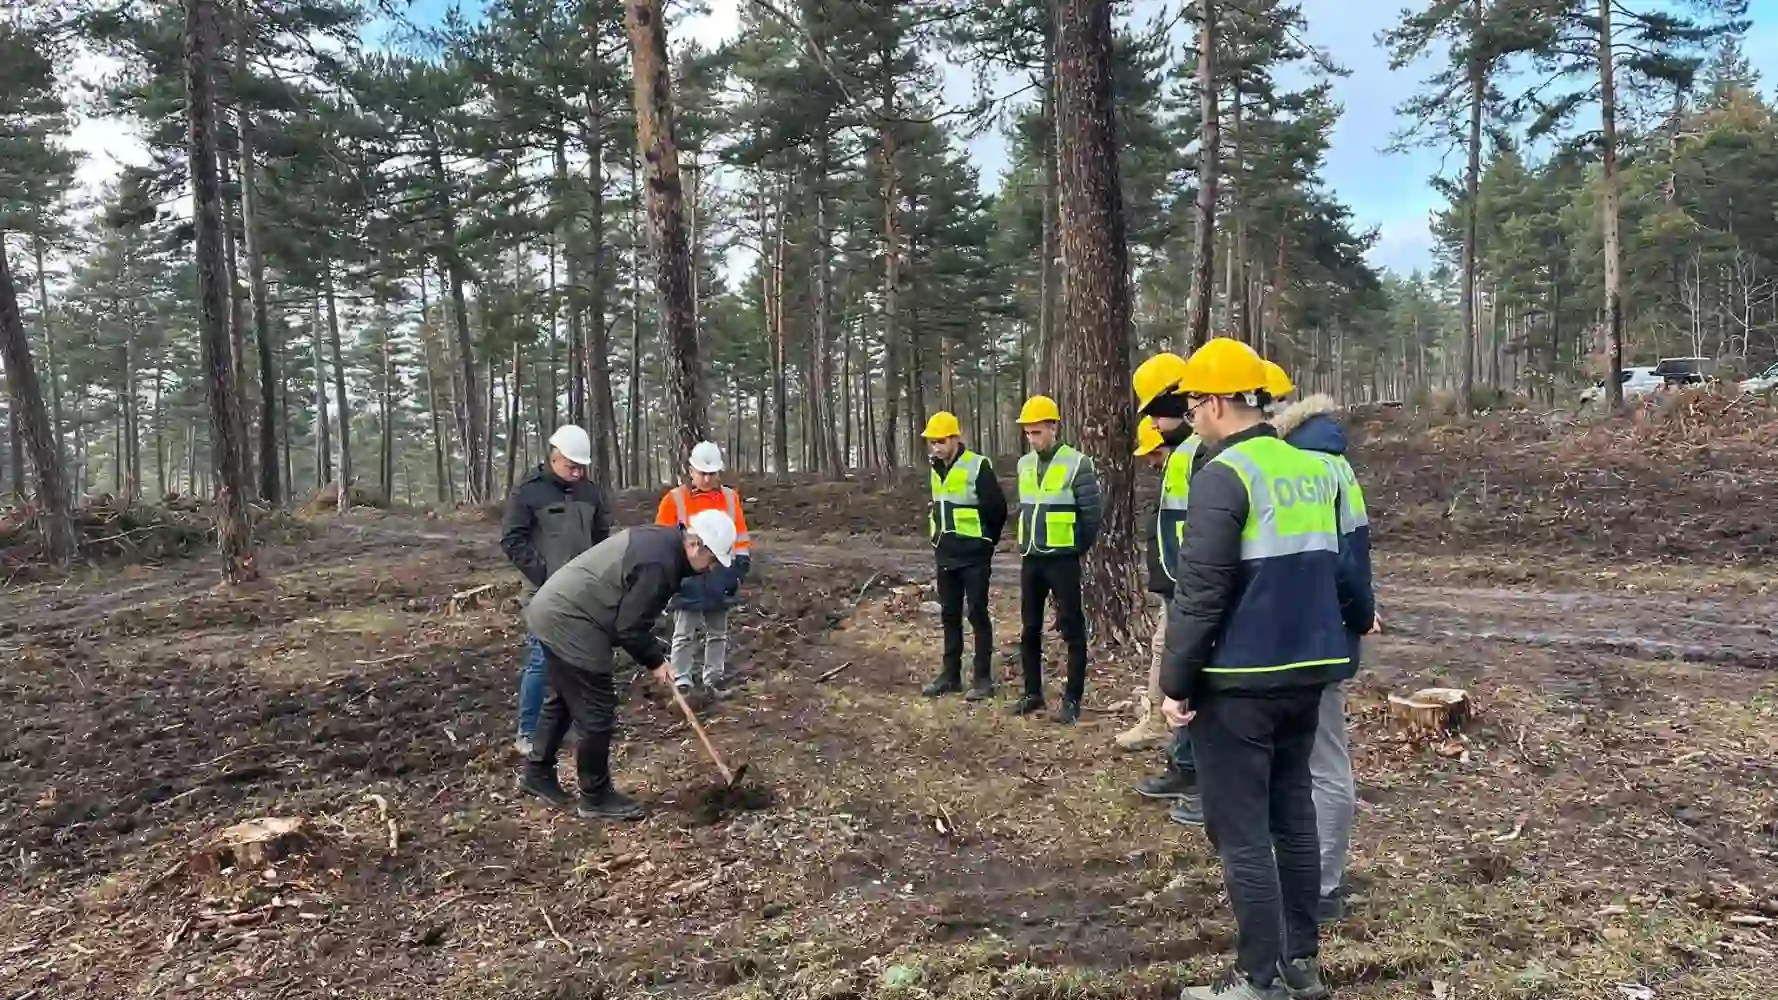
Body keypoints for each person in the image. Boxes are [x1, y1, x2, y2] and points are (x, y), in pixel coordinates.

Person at [1160, 338, 1373, 1000]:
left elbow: (1200, 592)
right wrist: (1359, 619)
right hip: (1306, 673)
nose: (1190, 415)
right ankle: (1301, 965)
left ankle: (1258, 979)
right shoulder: (1313, 466)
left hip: (1240, 683)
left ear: (1218, 402)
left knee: (1243, 831)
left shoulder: (1223, 475)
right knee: (1293, 817)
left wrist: (1176, 684)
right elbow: (1345, 565)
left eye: (1193, 401)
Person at [520, 509, 739, 820]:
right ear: (695, 545)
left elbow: (632, 616)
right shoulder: (660, 564)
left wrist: (654, 654)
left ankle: (537, 772)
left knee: (563, 698)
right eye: (713, 559)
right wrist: (655, 661)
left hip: (555, 609)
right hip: (571, 619)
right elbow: (629, 627)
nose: (712, 567)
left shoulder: (663, 544)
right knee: (597, 708)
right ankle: (595, 797)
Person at [1267, 364, 1378, 924]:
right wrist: (1360, 617)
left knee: (1317, 761)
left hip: (1298, 637)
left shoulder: (1299, 466)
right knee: (1320, 759)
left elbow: (1329, 561)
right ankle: (1320, 878)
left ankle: (1319, 884)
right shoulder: (1337, 463)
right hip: (1327, 633)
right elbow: (1355, 558)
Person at [1128, 354, 1208, 829]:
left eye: (1156, 412)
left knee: (1196, 685)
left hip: (1194, 588)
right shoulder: (1184, 453)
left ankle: (1202, 777)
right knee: (1181, 677)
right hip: (1178, 585)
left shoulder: (1203, 452)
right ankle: (1185, 767)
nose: (1154, 425)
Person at [500, 425, 612, 756]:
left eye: (581, 468)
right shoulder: (529, 492)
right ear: (553, 458)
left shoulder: (590, 493)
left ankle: (572, 726)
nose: (576, 473)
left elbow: (601, 539)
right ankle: (529, 732)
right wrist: (544, 574)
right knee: (541, 659)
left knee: (579, 658)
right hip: (544, 592)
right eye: (570, 466)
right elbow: (512, 540)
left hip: (584, 591)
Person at [1012, 394, 1102, 724]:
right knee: (1030, 628)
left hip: (1062, 560)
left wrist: (1076, 547)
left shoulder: (1078, 463)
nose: (1033, 439)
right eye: (1028, 433)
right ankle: (1032, 693)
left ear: (1053, 427)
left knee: (1072, 629)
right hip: (1031, 559)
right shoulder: (1023, 465)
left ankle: (1072, 699)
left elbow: (1092, 514)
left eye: (1037, 432)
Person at [919, 411, 1008, 701]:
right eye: (932, 442)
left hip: (974, 557)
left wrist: (986, 543)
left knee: (977, 614)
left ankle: (982, 679)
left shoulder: (977, 466)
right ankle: (950, 676)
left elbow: (997, 509)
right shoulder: (935, 468)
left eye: (941, 441)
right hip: (945, 554)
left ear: (956, 438)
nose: (936, 447)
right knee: (949, 615)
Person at [655, 441, 752, 698]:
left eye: (712, 473)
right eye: (702, 473)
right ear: (691, 470)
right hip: (686, 575)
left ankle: (713, 679)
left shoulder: (730, 498)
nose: (707, 478)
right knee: (684, 632)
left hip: (720, 572)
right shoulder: (674, 500)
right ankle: (682, 680)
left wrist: (740, 564)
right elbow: (661, 539)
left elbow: (740, 534)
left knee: (718, 631)